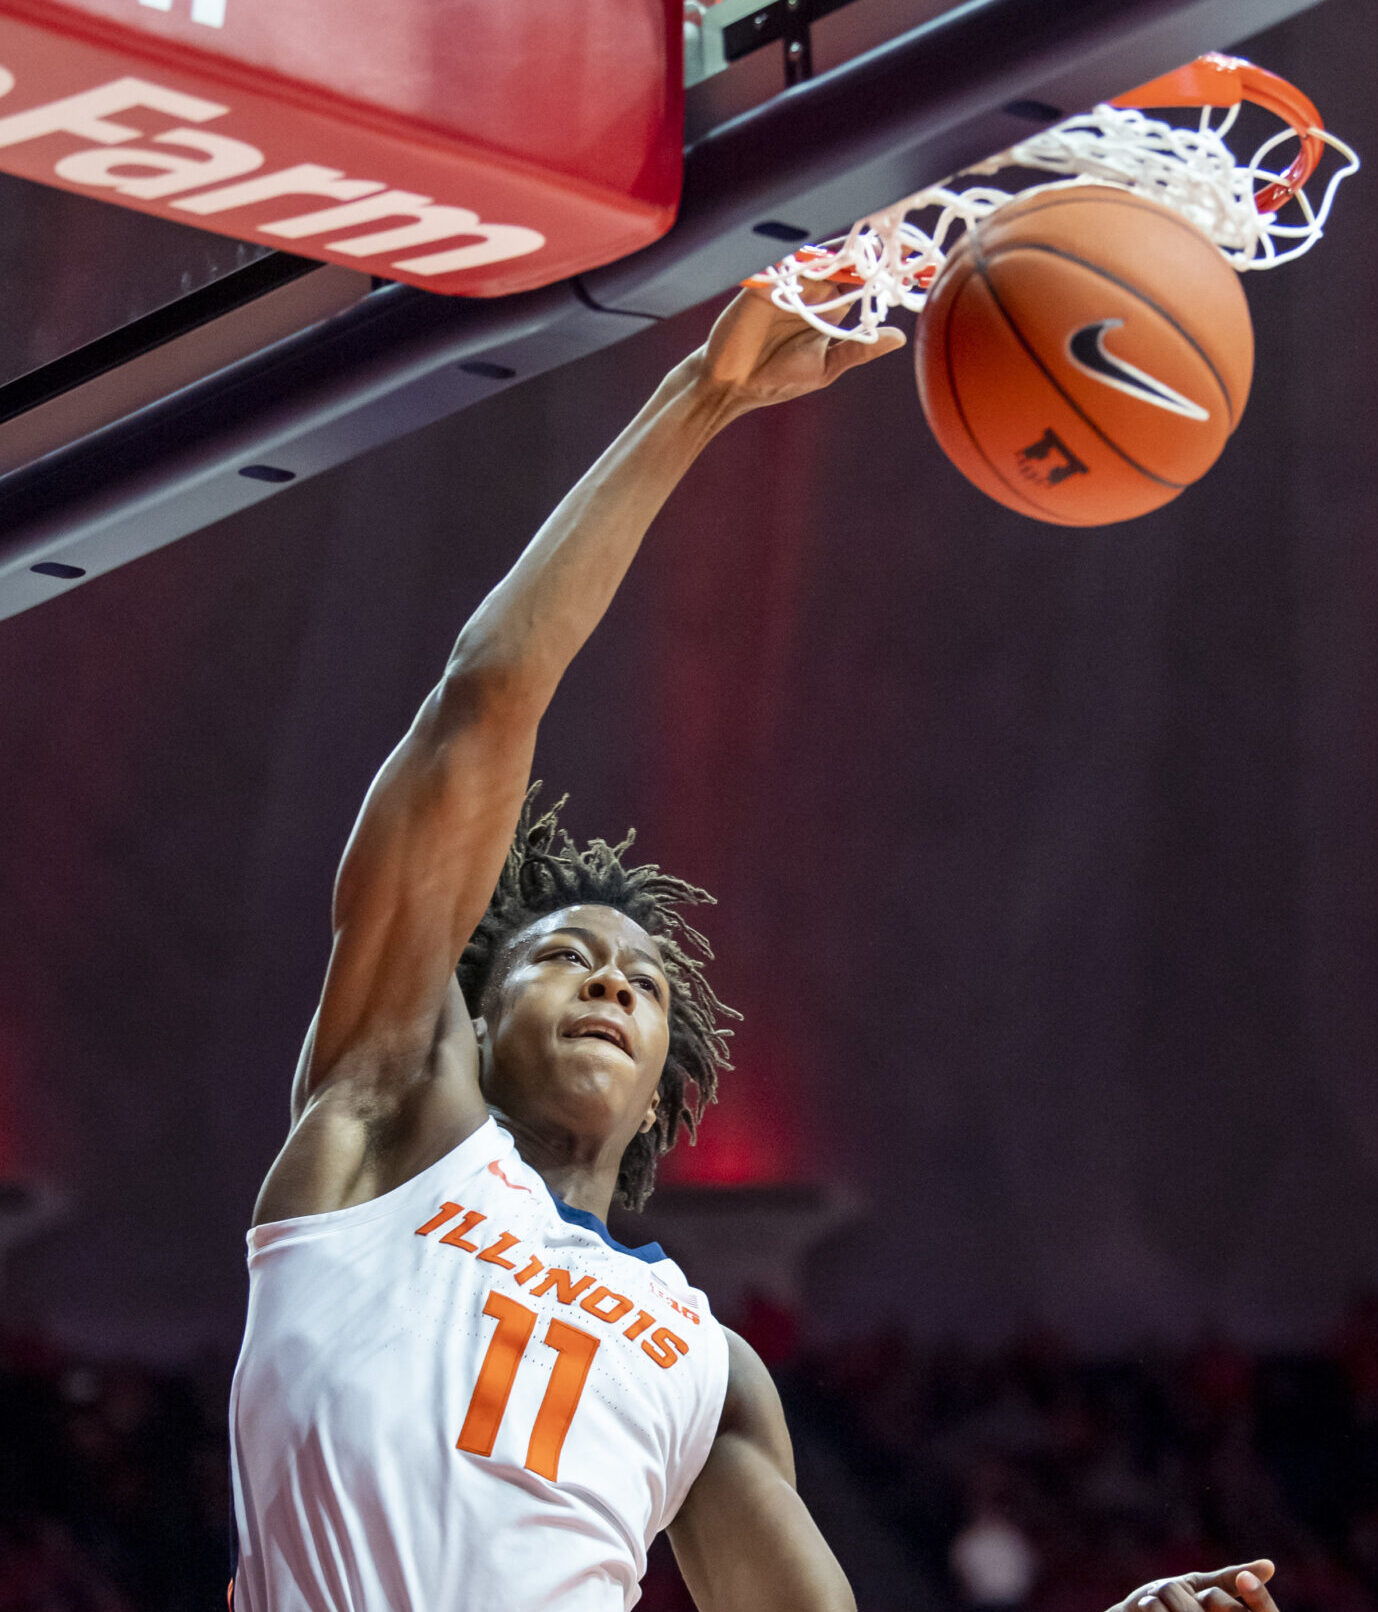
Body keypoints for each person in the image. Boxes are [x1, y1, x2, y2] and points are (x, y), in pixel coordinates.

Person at [227, 286, 1286, 1612]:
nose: (614, 977)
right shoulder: (382, 1127)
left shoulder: (703, 1367)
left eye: (643, 979)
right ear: (472, 1017)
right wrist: (703, 399)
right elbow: (482, 707)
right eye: (562, 954)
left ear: (670, 1061)